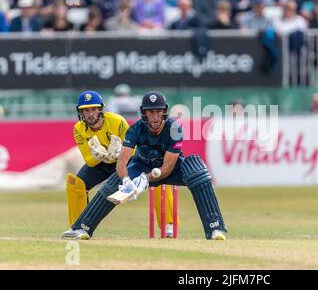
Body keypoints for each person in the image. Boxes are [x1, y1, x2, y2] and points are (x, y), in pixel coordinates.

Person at [62, 91, 228, 241]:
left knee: (196, 170)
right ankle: (82, 228)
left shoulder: (175, 129)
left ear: (164, 111)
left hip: (168, 168)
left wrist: (146, 179)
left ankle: (215, 228)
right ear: (143, 113)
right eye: (150, 112)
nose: (155, 117)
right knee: (112, 185)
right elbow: (122, 161)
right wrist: (126, 180)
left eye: (158, 112)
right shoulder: (135, 129)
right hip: (141, 164)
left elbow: (168, 167)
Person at [66, 91, 177, 237]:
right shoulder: (78, 129)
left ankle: (168, 225)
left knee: (158, 178)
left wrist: (120, 154)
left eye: (94, 109)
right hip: (102, 164)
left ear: (100, 109)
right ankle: (77, 227)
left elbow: (135, 149)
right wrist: (100, 156)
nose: (91, 114)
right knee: (76, 182)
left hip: (126, 161)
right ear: (80, 112)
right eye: (86, 110)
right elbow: (89, 160)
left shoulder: (117, 121)